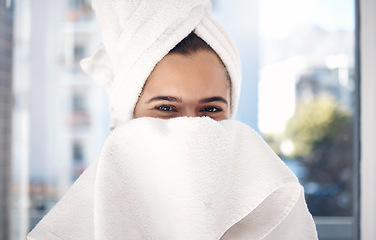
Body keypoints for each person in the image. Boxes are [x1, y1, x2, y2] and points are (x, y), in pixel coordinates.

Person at [27, 1, 318, 239]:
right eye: (166, 109)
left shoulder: (276, 207)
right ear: (131, 113)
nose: (190, 125)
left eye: (211, 110)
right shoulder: (72, 229)